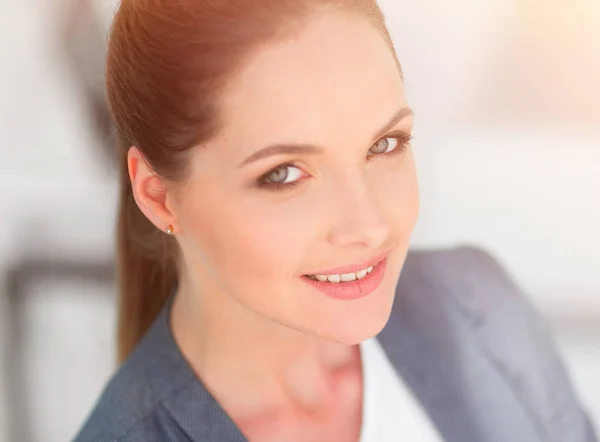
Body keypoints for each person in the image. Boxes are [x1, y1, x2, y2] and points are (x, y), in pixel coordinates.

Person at [74, 1, 597, 441]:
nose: (367, 224)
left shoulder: (476, 307)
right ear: (159, 197)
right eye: (283, 174)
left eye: (384, 144)